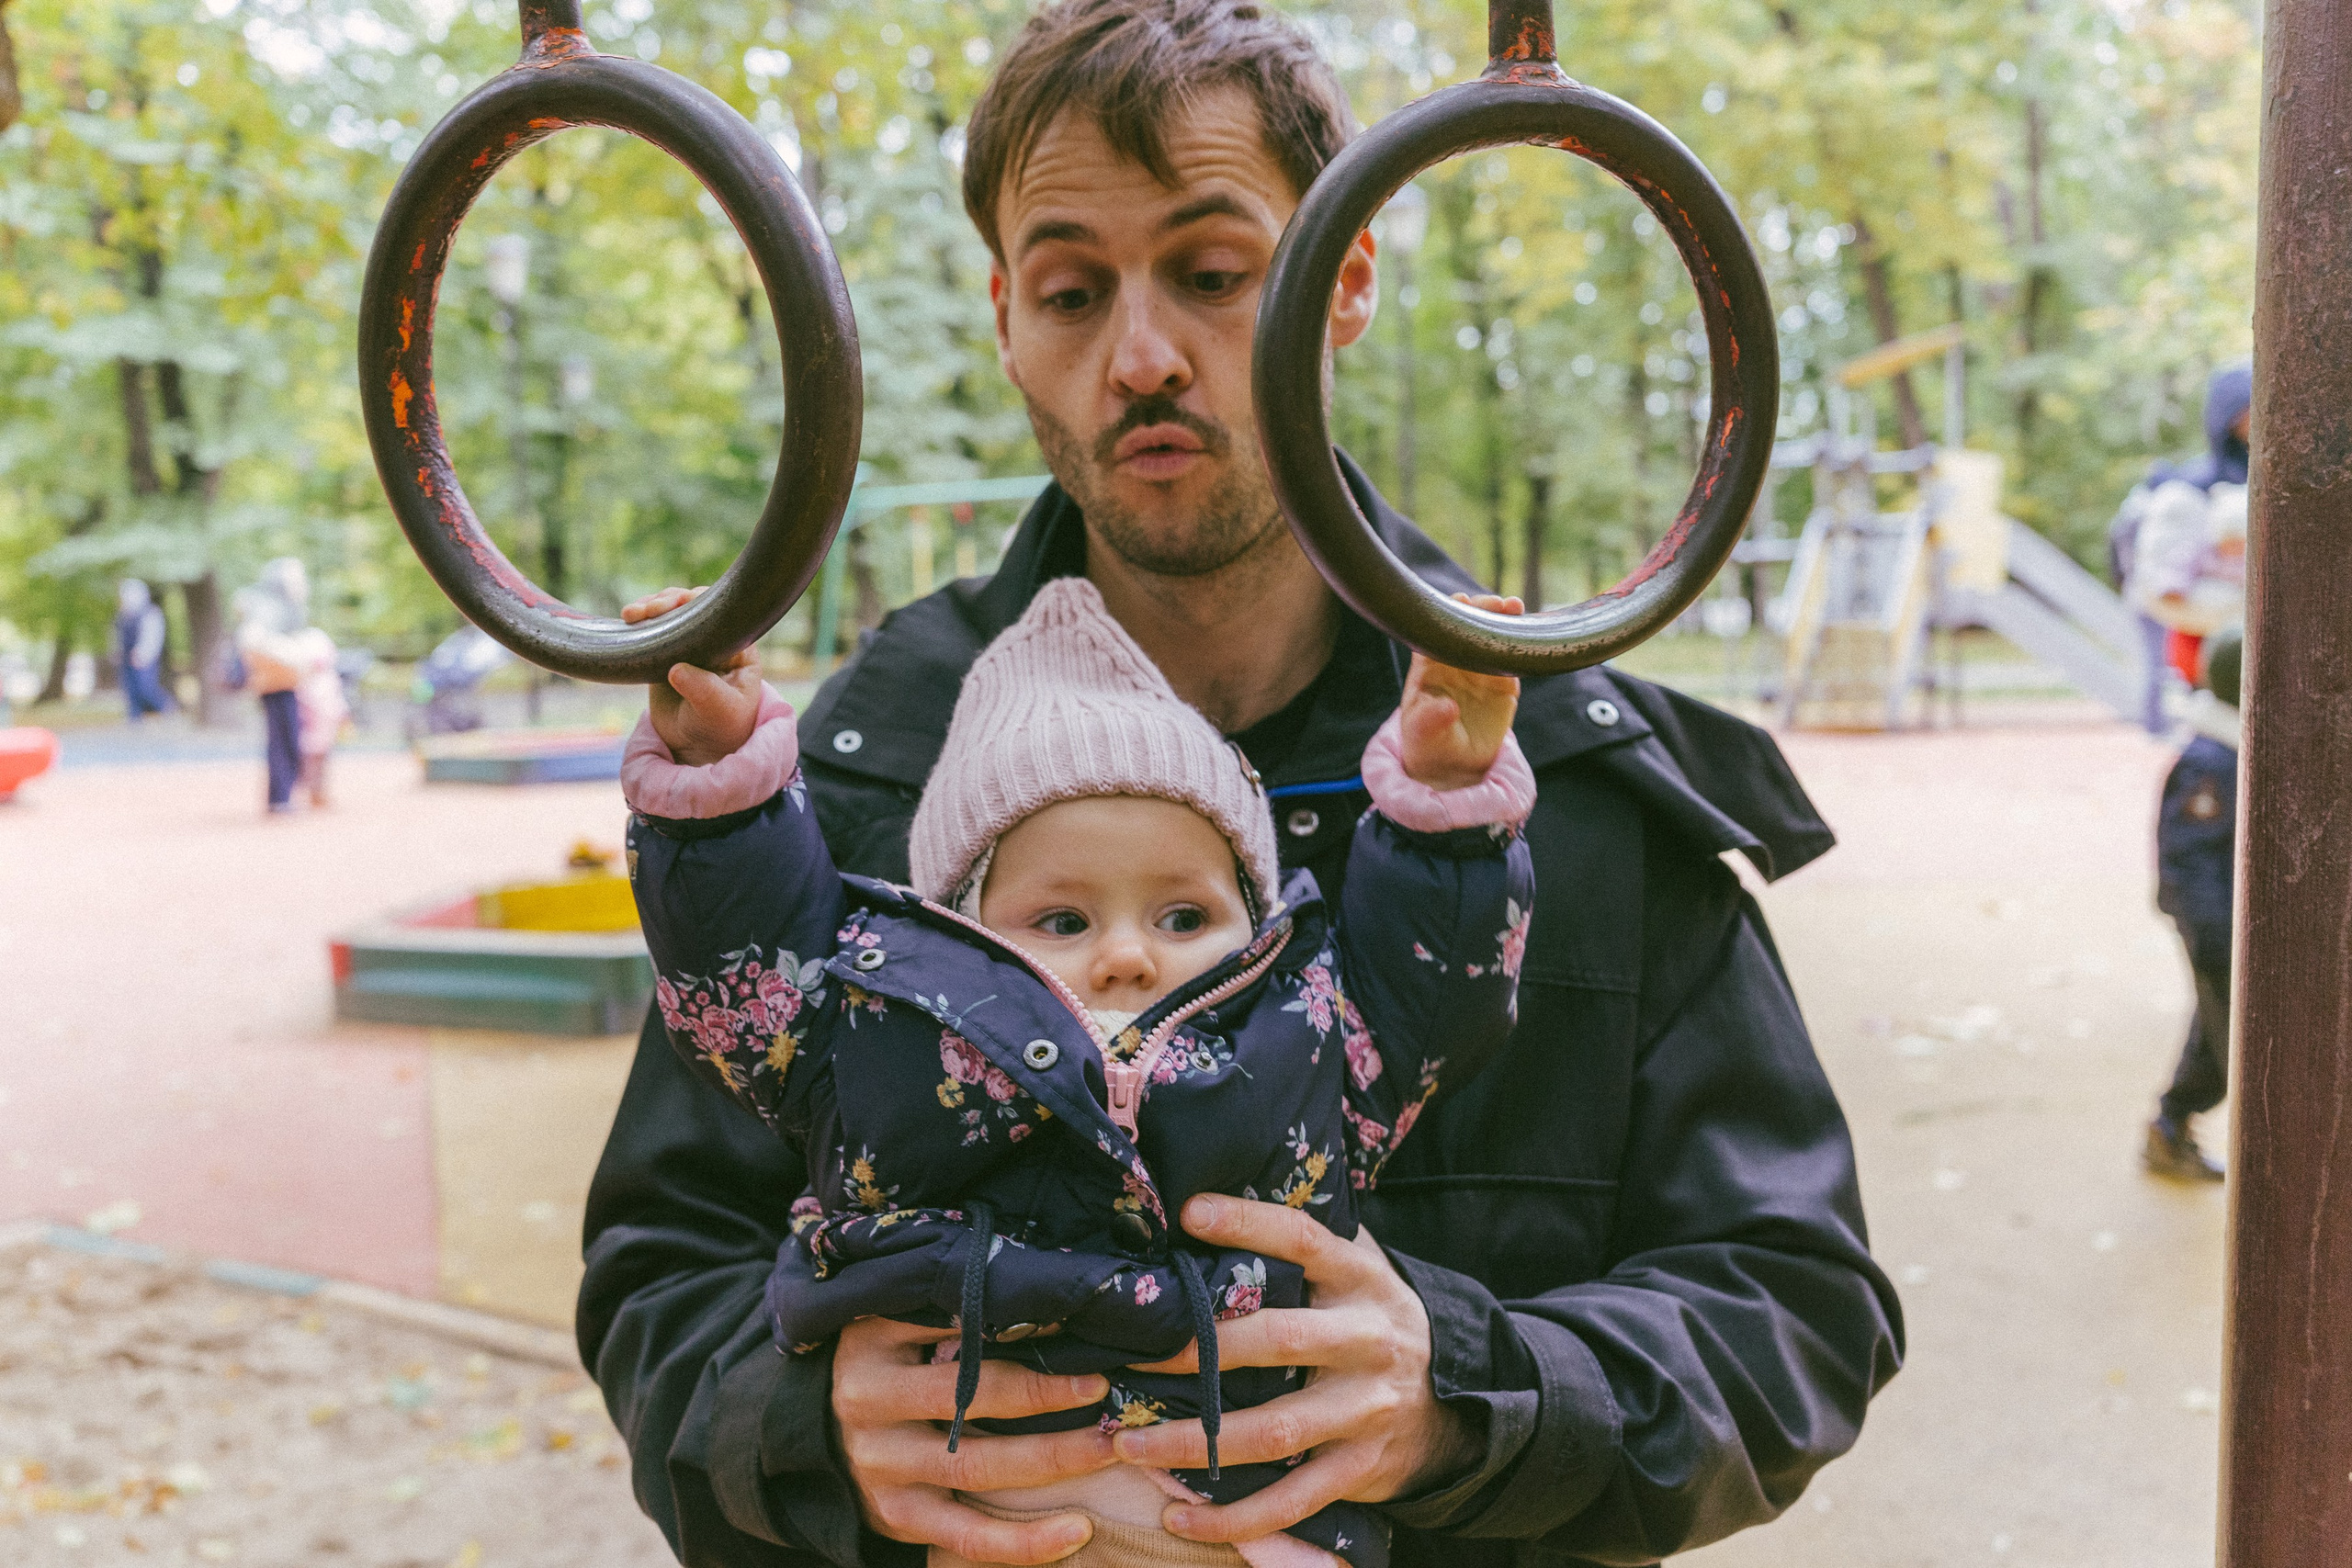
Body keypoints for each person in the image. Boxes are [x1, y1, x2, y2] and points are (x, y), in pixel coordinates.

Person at [577, 3, 1902, 1564]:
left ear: (1342, 283)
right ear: (1008, 320)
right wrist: (803, 1422)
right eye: (1074, 291)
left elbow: (1796, 1306)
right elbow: (663, 1281)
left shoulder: (1575, 780)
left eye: (1212, 276)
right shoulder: (862, 779)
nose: (1141, 356)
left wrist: (1464, 1394)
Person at [619, 576, 1533, 1567]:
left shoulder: (1314, 1038)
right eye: (1063, 920)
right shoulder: (880, 1040)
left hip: (1256, 1526)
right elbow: (742, 984)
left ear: (1253, 919)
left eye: (1184, 916)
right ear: (960, 934)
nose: (1129, 955)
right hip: (993, 1523)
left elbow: (1436, 997)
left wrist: (1445, 804)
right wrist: (716, 797)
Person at [2143, 626, 2242, 1182]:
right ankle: (2174, 1124)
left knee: (2217, 1027)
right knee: (2235, 1040)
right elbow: (2189, 858)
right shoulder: (2212, 759)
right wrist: (2217, 937)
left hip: (2224, 925)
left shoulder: (2229, 748)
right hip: (2217, 927)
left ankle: (2170, 1125)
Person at [2111, 364, 2252, 726]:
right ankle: (2159, 726)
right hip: (2195, 616)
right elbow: (2171, 565)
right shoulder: (2192, 486)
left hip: (2236, 615)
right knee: (2171, 675)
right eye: (2244, 414)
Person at [237, 558, 339, 812]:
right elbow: (254, 640)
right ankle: (280, 798)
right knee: (284, 740)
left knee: (293, 739)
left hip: (287, 682)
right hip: (276, 683)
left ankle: (287, 794)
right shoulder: (269, 607)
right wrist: (294, 657)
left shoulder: (286, 607)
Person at [114, 579, 174, 722]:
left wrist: (142, 654)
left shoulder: (150, 613)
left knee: (146, 687)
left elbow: (152, 637)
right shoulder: (122, 616)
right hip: (126, 657)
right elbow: (117, 636)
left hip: (143, 657)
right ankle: (134, 717)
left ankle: (167, 708)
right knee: (130, 689)